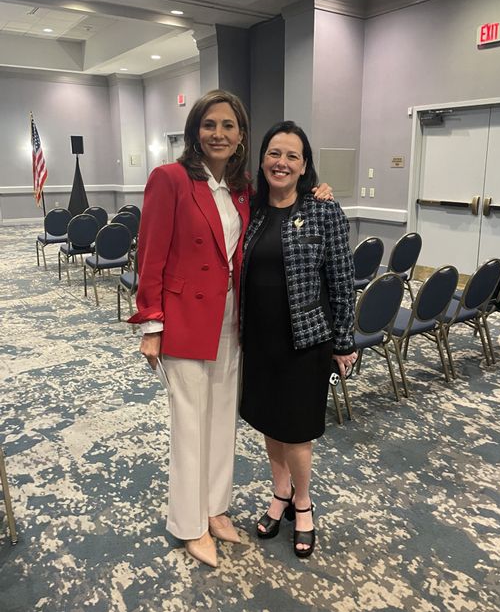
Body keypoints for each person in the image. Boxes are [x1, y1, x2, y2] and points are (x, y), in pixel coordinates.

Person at [128, 91, 332, 568]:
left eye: (228, 126)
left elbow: (285, 197)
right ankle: (189, 523)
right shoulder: (170, 179)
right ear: (194, 131)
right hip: (182, 323)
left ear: (241, 136)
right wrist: (152, 324)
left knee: (222, 422)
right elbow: (150, 255)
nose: (218, 134)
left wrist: (318, 191)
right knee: (190, 426)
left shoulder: (241, 188)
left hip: (232, 322)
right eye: (209, 125)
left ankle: (215, 509)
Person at [239, 120, 357, 558]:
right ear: (263, 159)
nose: (281, 162)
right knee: (269, 421)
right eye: (274, 153)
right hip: (257, 339)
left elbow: (342, 280)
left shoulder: (324, 209)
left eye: (292, 155)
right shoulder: (252, 209)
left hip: (305, 341)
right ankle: (280, 492)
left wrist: (344, 340)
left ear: (304, 164)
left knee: (297, 430)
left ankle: (303, 503)